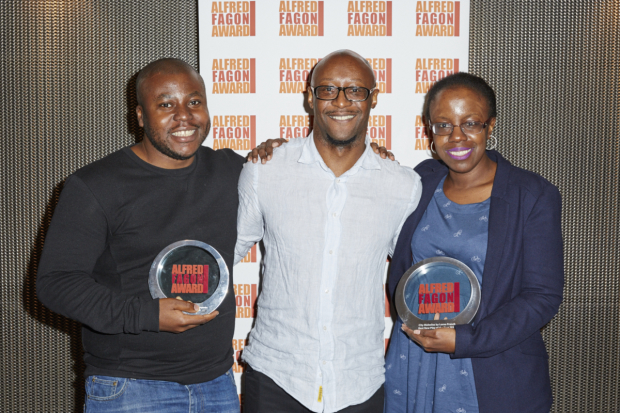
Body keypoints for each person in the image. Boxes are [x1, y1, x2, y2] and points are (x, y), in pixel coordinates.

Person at [37, 58, 245, 412]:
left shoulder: (233, 171)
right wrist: (147, 316)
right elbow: (55, 283)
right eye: (166, 104)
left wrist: (371, 153)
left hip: (218, 385)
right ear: (140, 115)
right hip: (131, 388)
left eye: (194, 101)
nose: (184, 116)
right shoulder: (95, 186)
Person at [234, 49, 422, 413]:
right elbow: (225, 252)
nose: (341, 101)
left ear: (374, 98)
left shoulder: (403, 185)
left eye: (355, 90)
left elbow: (414, 273)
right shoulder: (265, 170)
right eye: (328, 90)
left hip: (359, 381)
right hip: (276, 376)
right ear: (309, 97)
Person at [384, 72, 564, 413]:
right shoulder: (421, 180)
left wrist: (465, 340)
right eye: (443, 125)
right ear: (429, 130)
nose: (456, 137)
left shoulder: (532, 195)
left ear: (490, 125)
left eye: (470, 123)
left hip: (492, 368)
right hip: (414, 359)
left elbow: (543, 296)